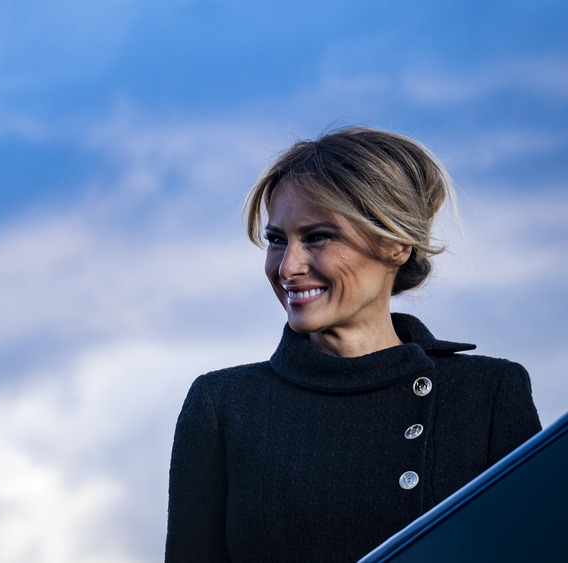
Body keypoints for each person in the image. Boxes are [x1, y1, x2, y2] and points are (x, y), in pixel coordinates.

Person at [164, 127, 541, 562]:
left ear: (396, 243)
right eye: (277, 239)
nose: (288, 266)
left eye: (318, 236)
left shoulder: (488, 394)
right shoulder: (224, 405)